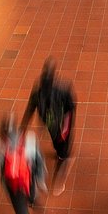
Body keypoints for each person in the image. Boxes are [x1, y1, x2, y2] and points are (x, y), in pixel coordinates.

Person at [21, 59, 77, 195]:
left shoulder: (63, 89)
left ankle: (60, 178)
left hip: (62, 128)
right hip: (51, 125)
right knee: (57, 146)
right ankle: (61, 154)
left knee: (63, 153)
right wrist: (22, 128)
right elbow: (31, 107)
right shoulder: (39, 90)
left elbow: (71, 109)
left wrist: (65, 129)